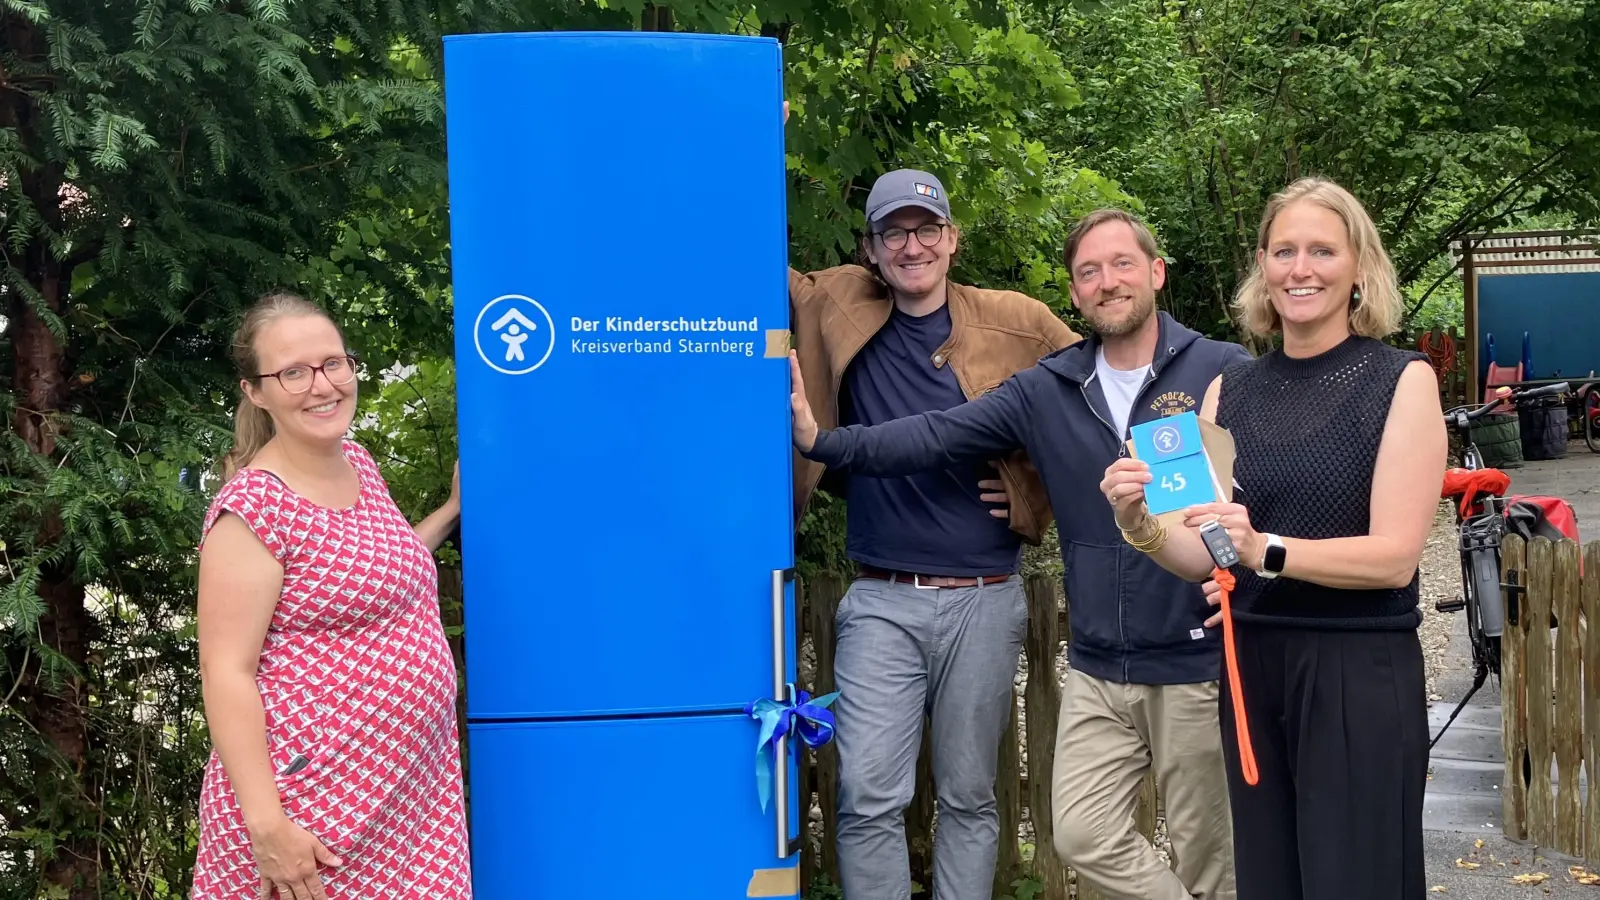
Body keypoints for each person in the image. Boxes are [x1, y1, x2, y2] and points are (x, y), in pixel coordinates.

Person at [790, 208, 1250, 900]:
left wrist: (1265, 569)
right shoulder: (1053, 386)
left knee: (1208, 859)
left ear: (1156, 272)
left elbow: (1271, 490)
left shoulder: (1221, 370)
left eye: (1122, 264)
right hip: (1099, 663)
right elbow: (934, 435)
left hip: (1196, 656)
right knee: (1084, 837)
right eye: (1089, 271)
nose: (1107, 282)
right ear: (1073, 291)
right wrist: (824, 443)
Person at [1098, 177, 1446, 900]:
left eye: (1322, 250)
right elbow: (1208, 551)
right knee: (1268, 882)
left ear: (1359, 266)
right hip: (1252, 668)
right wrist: (1138, 523)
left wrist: (1267, 552)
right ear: (1263, 267)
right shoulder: (1231, 390)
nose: (1301, 268)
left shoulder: (1401, 381)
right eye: (1283, 251)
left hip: (1357, 672)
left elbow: (1394, 557)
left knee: (1355, 882)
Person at [786, 158, 1080, 897]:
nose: (911, 246)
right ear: (872, 249)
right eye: (894, 233)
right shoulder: (835, 302)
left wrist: (1032, 496)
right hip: (881, 600)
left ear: (952, 239)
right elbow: (740, 253)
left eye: (926, 230)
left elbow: (1097, 390)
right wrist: (747, 135)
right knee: (866, 798)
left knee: (972, 797)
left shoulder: (1016, 321)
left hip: (985, 598)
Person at [191, 292, 471, 900]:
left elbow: (379, 575)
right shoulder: (254, 508)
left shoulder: (358, 463)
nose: (322, 385)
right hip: (312, 813)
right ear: (256, 391)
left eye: (333, 363)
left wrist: (449, 513)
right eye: (293, 371)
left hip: (408, 799)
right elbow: (225, 671)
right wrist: (269, 829)